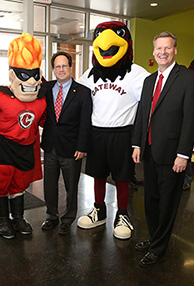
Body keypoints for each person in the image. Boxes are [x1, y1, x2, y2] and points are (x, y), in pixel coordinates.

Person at [132, 32, 194, 267]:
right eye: (158, 48)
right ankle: (154, 238)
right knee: (150, 199)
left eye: (167, 48)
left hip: (173, 155)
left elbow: (191, 119)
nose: (162, 52)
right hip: (150, 150)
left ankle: (159, 248)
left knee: (167, 202)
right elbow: (143, 114)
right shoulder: (149, 81)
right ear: (153, 51)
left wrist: (183, 154)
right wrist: (137, 144)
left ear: (175, 50)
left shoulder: (189, 78)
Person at [77, 21, 149, 240]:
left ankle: (123, 214)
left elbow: (155, 96)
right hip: (97, 133)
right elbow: (75, 95)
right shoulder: (89, 74)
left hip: (123, 133)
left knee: (122, 177)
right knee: (98, 175)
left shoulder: (137, 73)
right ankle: (99, 210)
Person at [0, 33, 46, 239]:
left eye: (34, 74)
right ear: (13, 75)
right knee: (1, 184)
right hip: (3, 148)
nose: (31, 79)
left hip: (25, 149)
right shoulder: (0, 95)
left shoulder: (41, 99)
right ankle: (2, 220)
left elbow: (48, 122)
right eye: (24, 74)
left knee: (20, 185)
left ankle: (18, 218)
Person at [40, 51, 92, 235]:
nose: (61, 69)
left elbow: (86, 122)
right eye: (57, 66)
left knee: (71, 186)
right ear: (53, 69)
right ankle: (51, 216)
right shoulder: (45, 88)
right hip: (50, 145)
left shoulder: (83, 92)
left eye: (64, 66)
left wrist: (82, 146)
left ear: (70, 67)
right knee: (49, 184)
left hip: (72, 148)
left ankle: (68, 218)